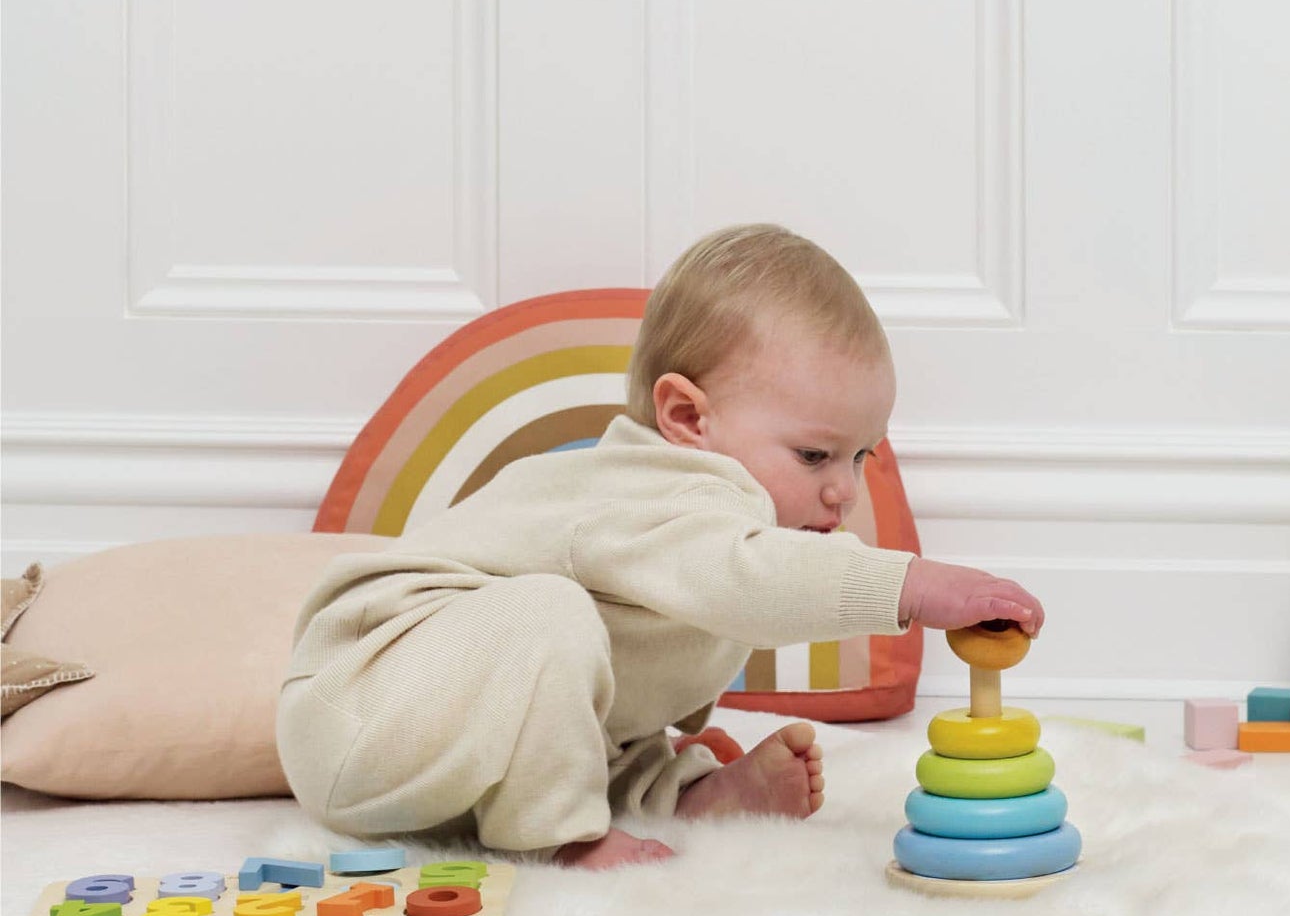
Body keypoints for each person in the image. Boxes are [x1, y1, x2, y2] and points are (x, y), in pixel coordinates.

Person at [276, 224, 1044, 870]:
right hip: (369, 696)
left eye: (860, 456)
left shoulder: (701, 530)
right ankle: (564, 841)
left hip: (446, 744)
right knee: (549, 616)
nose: (843, 489)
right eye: (814, 456)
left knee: (596, 707)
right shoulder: (657, 487)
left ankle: (680, 794)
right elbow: (745, 578)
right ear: (687, 417)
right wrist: (909, 586)